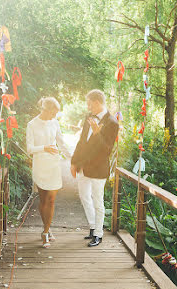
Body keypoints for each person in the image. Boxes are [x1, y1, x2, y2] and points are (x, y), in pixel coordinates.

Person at [70, 89, 119, 247]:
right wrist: (74, 162)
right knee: (84, 197)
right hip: (83, 166)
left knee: (98, 202)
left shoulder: (112, 122)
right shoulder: (88, 118)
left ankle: (98, 234)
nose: (88, 107)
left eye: (90, 104)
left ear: (97, 102)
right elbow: (81, 142)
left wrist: (98, 133)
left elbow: (107, 150)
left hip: (99, 169)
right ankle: (92, 226)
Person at [26, 97, 71, 248]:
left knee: (51, 199)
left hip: (53, 165)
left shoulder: (55, 123)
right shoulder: (32, 124)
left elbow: (61, 142)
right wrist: (44, 148)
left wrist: (73, 158)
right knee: (43, 200)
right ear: (46, 109)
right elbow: (29, 149)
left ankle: (45, 232)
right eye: (54, 112)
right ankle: (48, 226)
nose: (55, 115)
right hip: (40, 165)